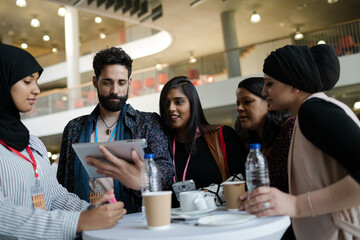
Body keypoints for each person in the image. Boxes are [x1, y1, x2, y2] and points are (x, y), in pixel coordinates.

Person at [0, 43, 126, 239]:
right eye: (27, 81)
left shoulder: (32, 144)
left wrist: (89, 210)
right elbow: (3, 216)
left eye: (36, 82)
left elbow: (55, 196)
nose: (36, 90)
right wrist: (78, 221)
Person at [243, 44, 360, 239]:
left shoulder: (313, 111)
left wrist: (296, 205)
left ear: (294, 84)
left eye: (269, 83)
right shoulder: (309, 112)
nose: (264, 91)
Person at [57, 47, 174, 213]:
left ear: (130, 82)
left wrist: (143, 180)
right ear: (94, 82)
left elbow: (167, 171)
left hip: (132, 220)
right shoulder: (74, 128)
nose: (115, 90)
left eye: (121, 83)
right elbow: (62, 185)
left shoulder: (147, 123)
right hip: (85, 220)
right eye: (107, 82)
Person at [159, 76, 247, 205]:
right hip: (179, 221)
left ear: (192, 104)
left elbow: (242, 180)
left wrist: (206, 194)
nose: (171, 108)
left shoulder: (222, 135)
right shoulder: (162, 146)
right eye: (166, 104)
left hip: (221, 219)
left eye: (178, 102)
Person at [236, 77, 295, 239]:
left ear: (268, 103)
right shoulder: (251, 146)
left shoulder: (290, 131)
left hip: (298, 225)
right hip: (267, 226)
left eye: (247, 102)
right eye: (238, 104)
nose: (239, 108)